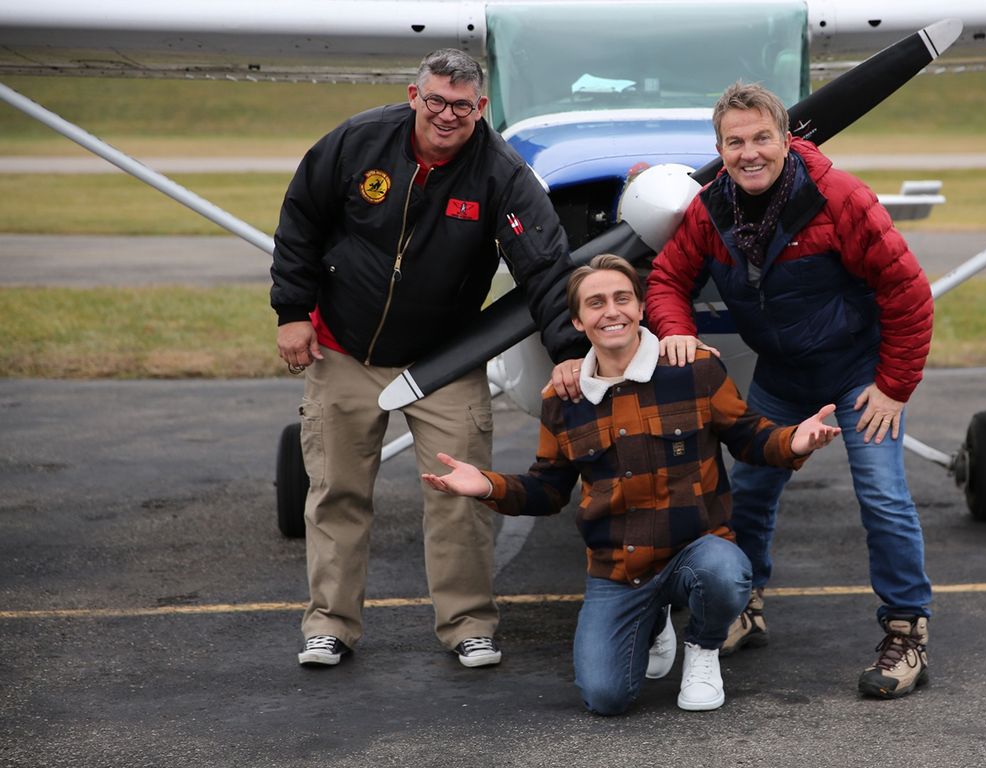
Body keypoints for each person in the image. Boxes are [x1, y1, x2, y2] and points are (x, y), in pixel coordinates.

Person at [593, 82, 935, 699]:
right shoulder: (712, 208)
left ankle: (907, 631)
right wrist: (676, 333)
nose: (749, 153)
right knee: (745, 492)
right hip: (780, 377)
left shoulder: (841, 199)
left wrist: (893, 386)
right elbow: (668, 279)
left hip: (857, 376)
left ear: (787, 139)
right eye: (734, 142)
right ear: (719, 149)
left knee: (882, 496)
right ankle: (743, 607)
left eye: (761, 139)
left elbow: (907, 293)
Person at [270, 48, 588, 670]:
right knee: (336, 492)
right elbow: (300, 220)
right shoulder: (357, 142)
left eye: (462, 106)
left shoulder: (501, 173)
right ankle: (329, 626)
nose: (447, 115)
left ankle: (468, 624)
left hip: (446, 361)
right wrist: (290, 311)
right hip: (343, 350)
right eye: (436, 101)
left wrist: (571, 352)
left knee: (459, 495)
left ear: (482, 108)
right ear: (414, 95)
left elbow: (547, 269)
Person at [423, 254, 840, 713]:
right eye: (596, 303)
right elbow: (549, 488)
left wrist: (794, 441)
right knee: (606, 697)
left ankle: (702, 649)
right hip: (619, 566)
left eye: (623, 298)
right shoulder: (563, 400)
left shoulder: (694, 369)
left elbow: (749, 438)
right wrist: (485, 485)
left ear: (641, 308)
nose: (612, 311)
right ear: (579, 322)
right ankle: (652, 617)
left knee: (725, 571)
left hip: (695, 550)